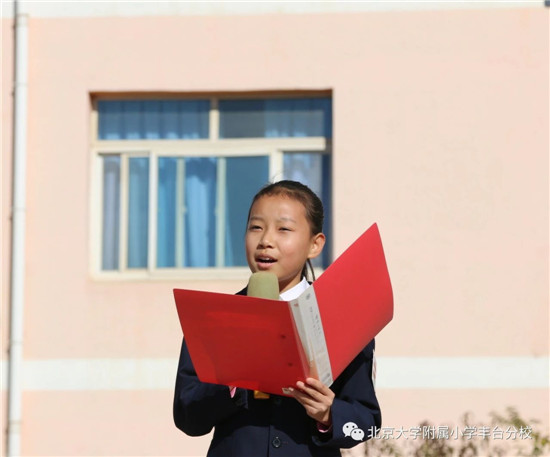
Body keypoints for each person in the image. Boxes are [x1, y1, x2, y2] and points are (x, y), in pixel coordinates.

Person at [173, 180, 381, 457]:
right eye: (256, 227)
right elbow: (187, 416)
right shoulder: (213, 319)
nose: (265, 241)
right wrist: (232, 384)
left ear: (315, 244)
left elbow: (366, 422)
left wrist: (329, 414)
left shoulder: (344, 319)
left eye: (283, 229)